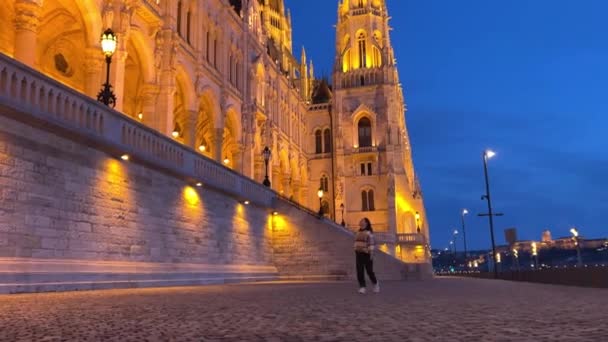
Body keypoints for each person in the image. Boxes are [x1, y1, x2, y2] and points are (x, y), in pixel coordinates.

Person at [354, 217, 379, 294]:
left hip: (367, 254)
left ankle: (375, 283)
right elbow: (356, 242)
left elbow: (371, 243)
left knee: (369, 271)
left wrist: (371, 254)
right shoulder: (357, 232)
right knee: (359, 271)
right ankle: (362, 287)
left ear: (366, 223)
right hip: (358, 254)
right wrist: (355, 249)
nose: (360, 222)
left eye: (362, 221)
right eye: (360, 220)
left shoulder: (369, 233)